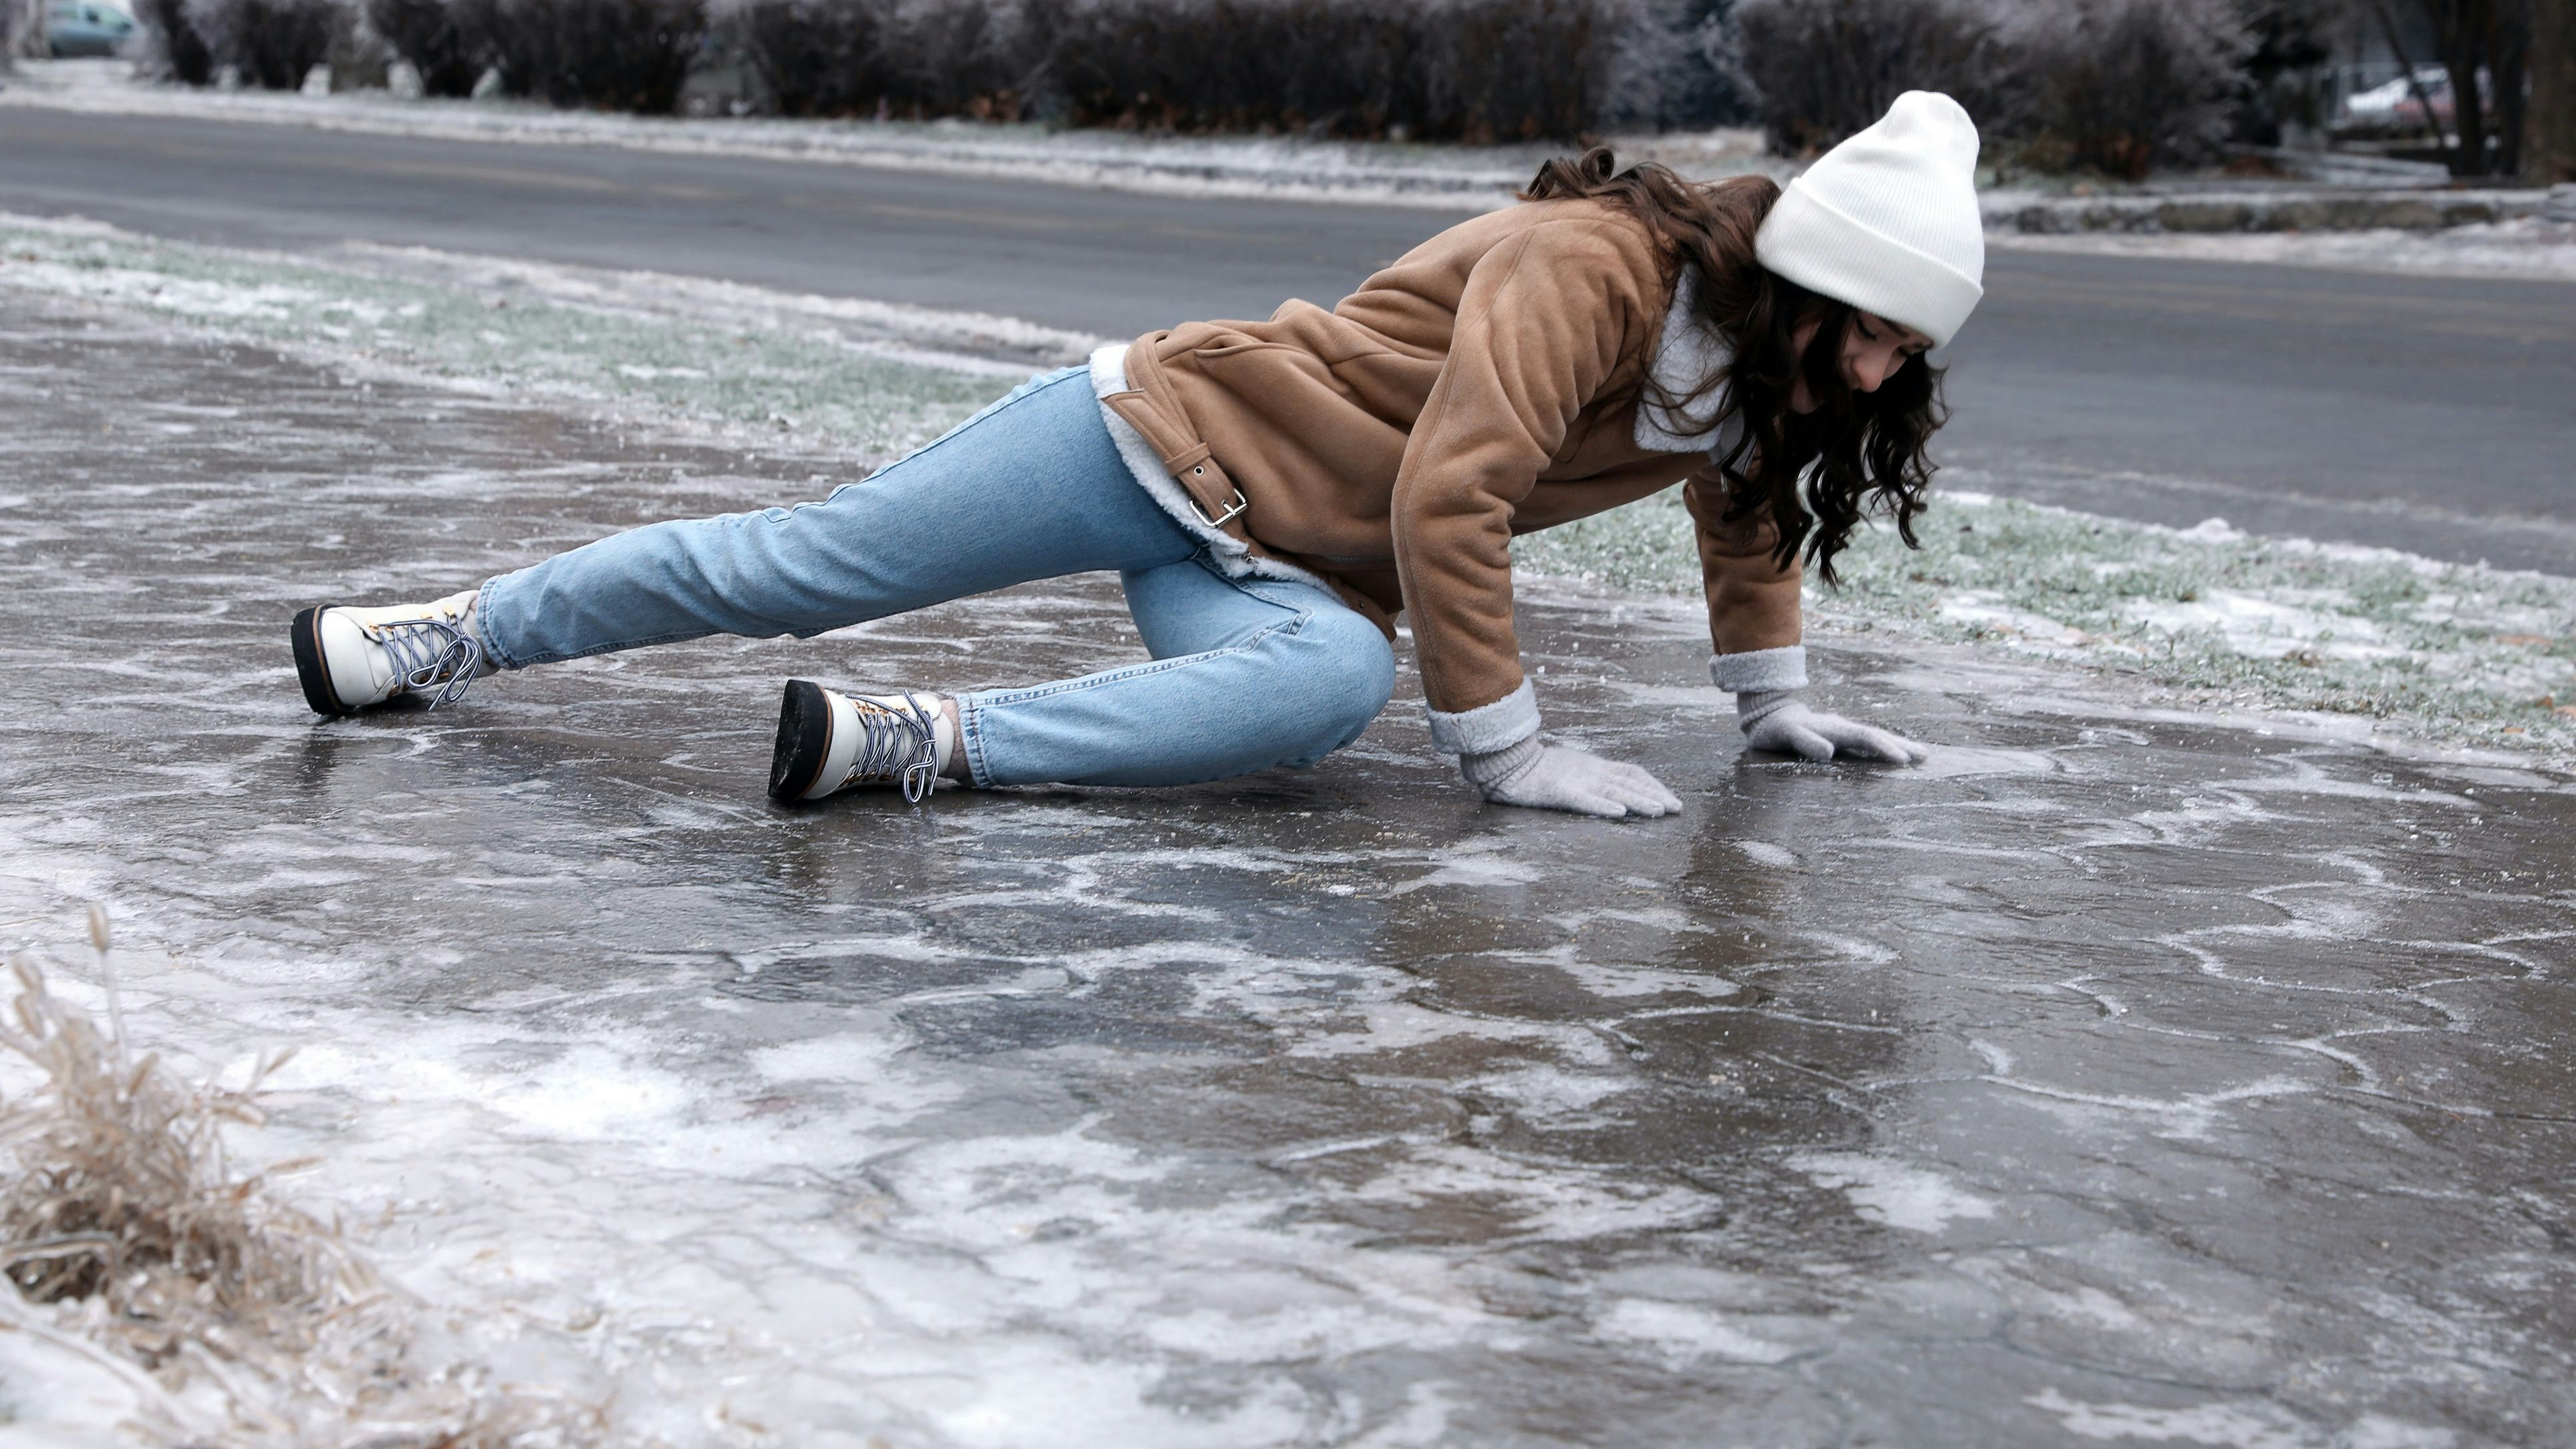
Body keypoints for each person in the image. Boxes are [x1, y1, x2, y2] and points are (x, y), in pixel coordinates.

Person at [288, 91, 1983, 820]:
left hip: (1285, 566)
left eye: (1911, 348)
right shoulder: (1596, 268)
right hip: (1157, 434)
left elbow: (1747, 500)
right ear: (1800, 280)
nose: (1883, 367)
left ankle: (913, 745)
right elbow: (1455, 490)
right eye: (1874, 329)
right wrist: (1511, 753)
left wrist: (1770, 703)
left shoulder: (1764, 373)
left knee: (1319, 696)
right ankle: (446, 632)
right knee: (801, 568)